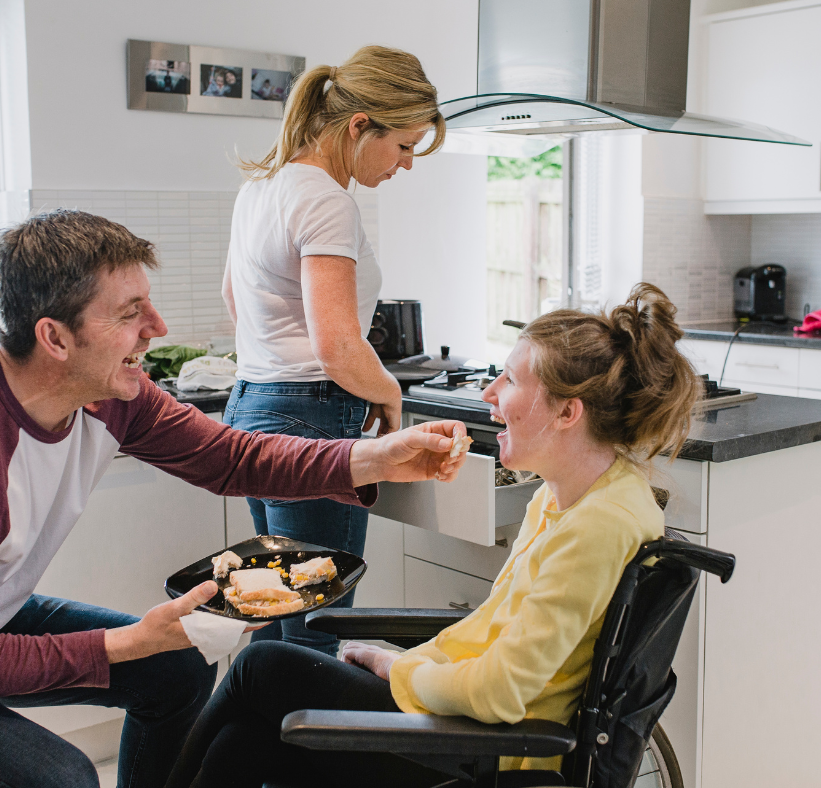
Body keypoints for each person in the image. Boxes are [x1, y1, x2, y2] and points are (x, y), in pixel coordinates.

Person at [0, 210, 469, 788]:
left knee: (176, 668)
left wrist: (373, 455)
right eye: (130, 314)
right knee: (61, 777)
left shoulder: (101, 386)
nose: (156, 327)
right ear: (56, 339)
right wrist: (128, 641)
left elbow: (228, 456)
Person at [166, 284, 702, 788]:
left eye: (511, 380)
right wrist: (407, 665)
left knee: (263, 666)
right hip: (462, 721)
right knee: (244, 742)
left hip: (492, 750)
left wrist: (399, 669)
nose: (490, 392)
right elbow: (493, 632)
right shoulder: (569, 496)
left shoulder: (599, 525)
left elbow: (502, 691)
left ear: (568, 412)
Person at [221, 45, 445, 656]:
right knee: (313, 634)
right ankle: (296, 753)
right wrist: (391, 395)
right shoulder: (325, 199)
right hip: (314, 420)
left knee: (274, 614)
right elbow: (339, 343)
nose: (403, 165)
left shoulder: (260, 187)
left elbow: (234, 301)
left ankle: (253, 753)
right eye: (403, 146)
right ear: (358, 126)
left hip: (251, 411)